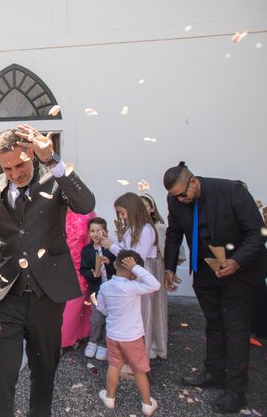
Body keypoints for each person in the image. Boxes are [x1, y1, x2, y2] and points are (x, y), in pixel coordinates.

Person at [0, 125, 95, 417]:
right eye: (7, 168)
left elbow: (86, 204)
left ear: (32, 154)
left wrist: (54, 161)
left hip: (47, 295)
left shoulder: (55, 178)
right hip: (6, 294)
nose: (14, 173)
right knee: (2, 372)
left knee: (44, 370)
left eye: (19, 164)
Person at [163, 162, 267, 413]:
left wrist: (237, 261)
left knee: (235, 329)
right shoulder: (176, 200)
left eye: (183, 194)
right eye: (175, 196)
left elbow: (257, 233)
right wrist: (169, 268)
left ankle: (236, 392)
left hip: (237, 273)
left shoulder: (232, 192)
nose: (180, 200)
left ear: (194, 182)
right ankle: (214, 372)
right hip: (204, 272)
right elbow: (174, 233)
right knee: (213, 322)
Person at [100, 192, 166, 360]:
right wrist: (111, 242)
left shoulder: (146, 230)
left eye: (122, 212)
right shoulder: (132, 228)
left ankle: (140, 353)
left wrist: (111, 247)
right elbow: (125, 247)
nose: (121, 217)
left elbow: (135, 258)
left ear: (132, 209)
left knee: (142, 312)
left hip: (142, 271)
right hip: (134, 271)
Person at [96, 250, 160, 416]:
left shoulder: (105, 286)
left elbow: (102, 309)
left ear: (116, 264)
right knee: (139, 370)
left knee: (114, 365)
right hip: (132, 337)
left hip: (113, 335)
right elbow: (155, 285)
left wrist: (134, 268)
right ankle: (147, 404)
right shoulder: (133, 287)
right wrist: (136, 268)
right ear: (133, 272)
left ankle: (110, 397)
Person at [80, 216, 116, 361]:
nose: (95, 234)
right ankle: (93, 341)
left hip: (113, 290)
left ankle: (104, 344)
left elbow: (118, 265)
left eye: (99, 231)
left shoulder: (110, 248)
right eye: (92, 231)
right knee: (96, 318)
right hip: (96, 290)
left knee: (110, 317)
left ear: (105, 232)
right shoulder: (87, 250)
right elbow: (83, 269)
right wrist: (92, 274)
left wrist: (109, 263)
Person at [60, 209, 96, 349]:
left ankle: (74, 336)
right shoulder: (55, 210)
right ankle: (69, 337)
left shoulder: (88, 213)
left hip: (81, 262)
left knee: (76, 301)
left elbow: (92, 236)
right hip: (60, 262)